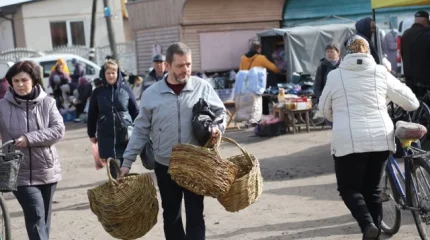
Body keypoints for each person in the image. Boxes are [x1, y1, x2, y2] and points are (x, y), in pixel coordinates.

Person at [119, 42, 226, 240]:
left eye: (188, 64)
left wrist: (217, 128)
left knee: (195, 214)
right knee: (171, 216)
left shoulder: (202, 87)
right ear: (167, 66)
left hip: (195, 163)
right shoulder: (151, 94)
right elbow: (140, 130)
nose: (185, 69)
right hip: (165, 165)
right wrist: (126, 162)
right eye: (180, 65)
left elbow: (221, 113)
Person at [318, 35, 419, 240]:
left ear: (346, 52)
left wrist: (339, 116)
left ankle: (367, 225)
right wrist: (387, 98)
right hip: (380, 138)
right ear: (367, 51)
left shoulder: (336, 76)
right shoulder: (381, 72)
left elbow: (324, 110)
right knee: (373, 190)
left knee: (349, 188)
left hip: (347, 140)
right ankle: (374, 232)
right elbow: (412, 103)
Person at [2, 60, 65, 240]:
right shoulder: (2, 107)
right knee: (35, 214)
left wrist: (29, 139)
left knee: (43, 219)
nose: (20, 85)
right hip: (18, 172)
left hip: (47, 170)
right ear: (11, 83)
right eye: (16, 81)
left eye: (24, 80)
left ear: (34, 81)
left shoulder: (48, 103)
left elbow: (58, 130)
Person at [87, 60, 139, 179]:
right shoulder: (97, 92)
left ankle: (121, 191)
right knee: (113, 166)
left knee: (123, 165)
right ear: (103, 75)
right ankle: (117, 192)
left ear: (118, 74)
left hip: (125, 135)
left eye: (113, 72)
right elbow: (92, 114)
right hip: (106, 135)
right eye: (108, 73)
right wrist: (91, 133)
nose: (111, 75)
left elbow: (136, 111)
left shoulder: (126, 90)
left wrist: (141, 128)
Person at [240, 41, 280, 115]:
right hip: (258, 86)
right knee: (263, 102)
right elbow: (274, 68)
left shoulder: (243, 58)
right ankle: (263, 118)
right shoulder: (261, 58)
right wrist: (280, 69)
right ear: (259, 49)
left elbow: (241, 72)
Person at [401, 10, 429, 93]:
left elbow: (402, 54)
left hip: (408, 76)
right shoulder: (426, 33)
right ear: (425, 21)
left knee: (414, 103)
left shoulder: (405, 34)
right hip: (423, 78)